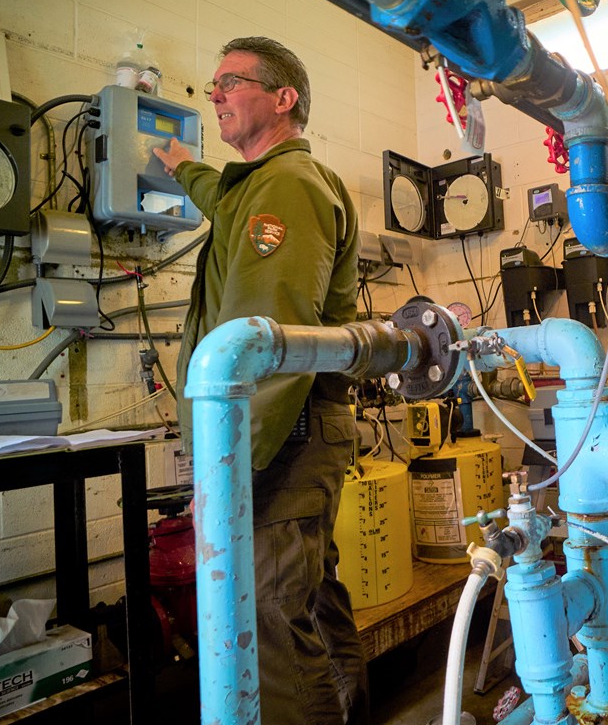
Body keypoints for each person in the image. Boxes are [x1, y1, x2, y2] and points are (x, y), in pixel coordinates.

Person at [153, 37, 367, 725]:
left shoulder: (286, 186)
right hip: (293, 430)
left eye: (230, 82)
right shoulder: (259, 185)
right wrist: (184, 165)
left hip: (279, 431)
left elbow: (266, 336)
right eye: (212, 83)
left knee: (272, 613)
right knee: (305, 596)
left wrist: (227, 464)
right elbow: (224, 197)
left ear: (284, 99)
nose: (213, 93)